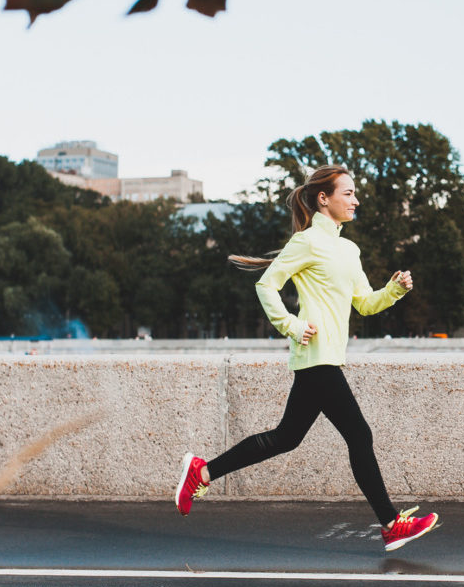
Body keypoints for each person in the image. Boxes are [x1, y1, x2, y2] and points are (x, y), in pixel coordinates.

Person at [174, 165, 439, 552]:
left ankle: (203, 471)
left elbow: (364, 304)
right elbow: (267, 284)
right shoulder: (308, 242)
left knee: (286, 438)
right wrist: (292, 326)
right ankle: (390, 524)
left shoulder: (349, 249)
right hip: (315, 356)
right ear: (323, 198)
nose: (355, 200)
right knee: (359, 434)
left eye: (354, 193)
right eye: (347, 193)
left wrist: (394, 289)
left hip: (329, 357)